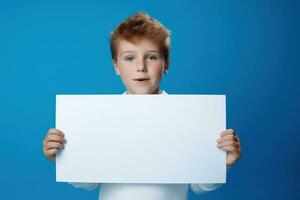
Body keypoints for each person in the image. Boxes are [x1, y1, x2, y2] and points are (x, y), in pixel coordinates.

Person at [42, 11, 242, 200]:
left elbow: (199, 185)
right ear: (116, 66)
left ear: (166, 65)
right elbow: (89, 181)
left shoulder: (188, 117)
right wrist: (63, 158)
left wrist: (222, 163)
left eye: (151, 57)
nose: (140, 67)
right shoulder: (100, 118)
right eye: (129, 58)